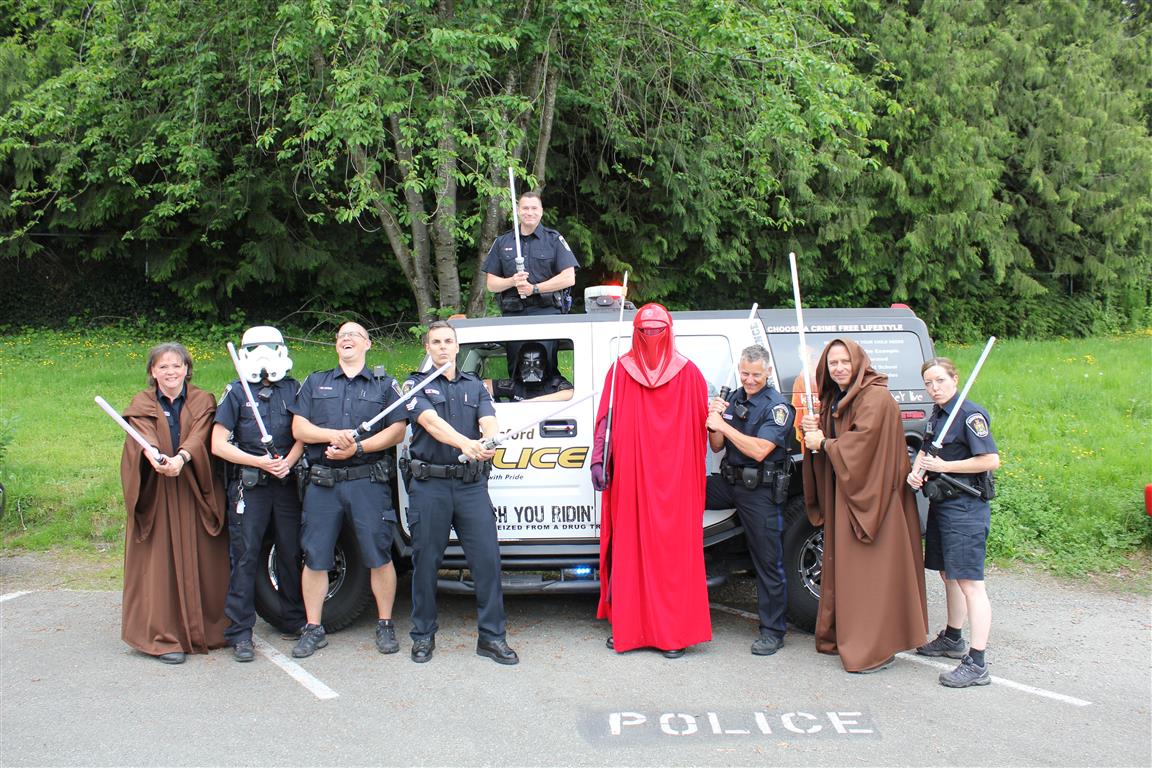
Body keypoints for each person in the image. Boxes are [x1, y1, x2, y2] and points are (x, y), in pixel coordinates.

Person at [590, 303, 711, 658]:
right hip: (631, 477)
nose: (652, 337)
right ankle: (630, 627)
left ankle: (672, 634)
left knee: (672, 556)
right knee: (629, 550)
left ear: (669, 330)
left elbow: (703, 430)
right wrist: (599, 457)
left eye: (657, 330)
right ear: (635, 332)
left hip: (676, 481)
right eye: (645, 330)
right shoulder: (620, 371)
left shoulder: (689, 374)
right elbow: (605, 422)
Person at [799, 338, 928, 673]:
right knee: (848, 571)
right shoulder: (836, 398)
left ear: (859, 362)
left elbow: (863, 444)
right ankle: (845, 635)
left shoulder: (876, 397)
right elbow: (832, 440)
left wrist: (824, 442)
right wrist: (813, 431)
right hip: (850, 495)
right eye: (833, 363)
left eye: (845, 362)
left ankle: (875, 648)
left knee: (873, 575)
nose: (839, 368)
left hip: (877, 503)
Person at [288, 322, 407, 659]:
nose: (346, 338)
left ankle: (384, 623)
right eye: (341, 336)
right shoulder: (315, 381)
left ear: (368, 344)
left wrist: (357, 448)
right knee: (315, 556)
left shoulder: (385, 385)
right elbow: (300, 427)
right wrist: (334, 435)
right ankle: (314, 628)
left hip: (366, 482)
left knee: (379, 555)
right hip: (323, 485)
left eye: (354, 334)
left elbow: (396, 430)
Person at [404, 321, 518, 665]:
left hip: (470, 487)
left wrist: (488, 442)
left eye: (448, 341)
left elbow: (489, 420)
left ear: (457, 347)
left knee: (487, 562)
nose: (442, 347)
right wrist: (466, 443)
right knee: (426, 563)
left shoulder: (475, 386)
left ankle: (492, 637)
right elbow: (430, 423)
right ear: (428, 348)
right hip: (430, 487)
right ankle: (423, 635)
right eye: (436, 341)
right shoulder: (414, 384)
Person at [118, 342, 230, 664]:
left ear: (187, 369)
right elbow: (142, 434)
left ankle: (207, 631)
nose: (170, 372)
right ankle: (163, 638)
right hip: (159, 494)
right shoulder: (141, 403)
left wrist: (181, 458)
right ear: (152, 372)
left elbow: (199, 435)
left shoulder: (202, 400)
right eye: (163, 366)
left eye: (176, 365)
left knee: (204, 558)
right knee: (159, 565)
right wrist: (154, 456)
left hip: (194, 489)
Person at [211, 326, 306, 663]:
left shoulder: (295, 389)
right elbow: (218, 444)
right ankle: (240, 632)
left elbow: (302, 434)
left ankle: (292, 618)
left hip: (285, 483)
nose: (264, 354)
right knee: (247, 554)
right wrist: (258, 462)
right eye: (257, 348)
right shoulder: (236, 393)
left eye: (271, 347)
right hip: (250, 486)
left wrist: (286, 463)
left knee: (291, 551)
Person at [908, 357, 1000, 688]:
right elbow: (928, 450)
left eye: (940, 381)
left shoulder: (969, 415)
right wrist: (918, 472)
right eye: (929, 383)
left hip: (966, 509)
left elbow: (990, 460)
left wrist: (945, 465)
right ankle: (953, 636)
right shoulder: (938, 416)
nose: (934, 388)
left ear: (955, 379)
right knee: (949, 574)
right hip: (942, 506)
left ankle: (977, 663)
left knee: (970, 583)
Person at [705, 345, 795, 656]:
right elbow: (716, 446)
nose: (750, 379)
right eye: (745, 373)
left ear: (768, 372)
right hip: (730, 482)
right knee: (685, 492)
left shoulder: (778, 407)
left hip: (761, 492)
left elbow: (759, 450)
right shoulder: (734, 398)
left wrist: (724, 425)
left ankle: (773, 631)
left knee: (767, 561)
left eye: (756, 374)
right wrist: (713, 418)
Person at [482, 191, 578, 316]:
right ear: (517, 210)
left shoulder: (554, 239)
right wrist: (512, 281)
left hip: (547, 313)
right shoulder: (502, 242)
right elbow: (491, 284)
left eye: (534, 208)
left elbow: (569, 278)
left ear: (541, 211)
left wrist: (534, 289)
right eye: (525, 208)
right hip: (513, 314)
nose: (530, 212)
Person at [489, 341, 574, 403]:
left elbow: (570, 393)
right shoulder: (513, 386)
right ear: (519, 366)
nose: (532, 369)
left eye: (537, 363)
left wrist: (533, 402)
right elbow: (483, 386)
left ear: (545, 365)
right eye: (526, 364)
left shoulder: (555, 384)